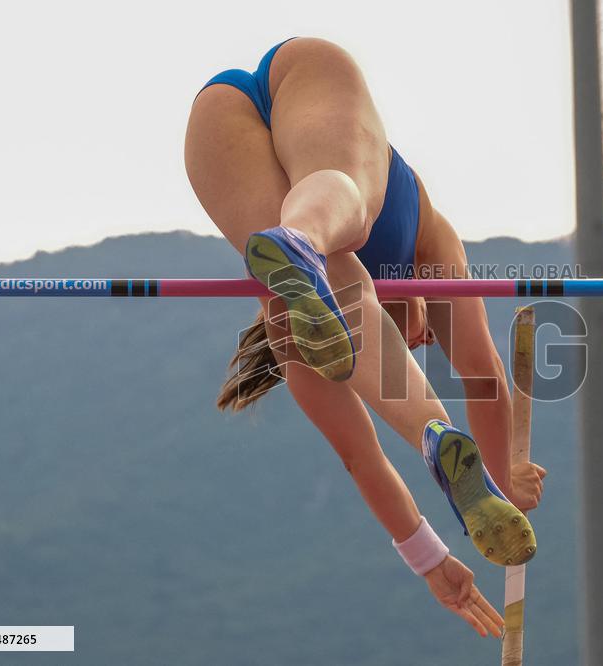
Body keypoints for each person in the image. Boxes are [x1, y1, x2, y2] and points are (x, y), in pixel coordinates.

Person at [184, 37, 547, 638]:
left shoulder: (293, 331)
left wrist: (432, 562)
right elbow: (483, 382)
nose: (422, 341)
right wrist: (505, 478)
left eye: (415, 348)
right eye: (424, 342)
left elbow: (363, 458)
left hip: (213, 123)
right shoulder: (434, 262)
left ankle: (432, 432)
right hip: (297, 74)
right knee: (347, 202)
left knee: (340, 283)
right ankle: (304, 244)